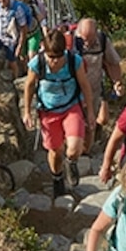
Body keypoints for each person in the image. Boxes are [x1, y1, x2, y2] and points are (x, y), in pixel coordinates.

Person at [24, 23, 90, 187]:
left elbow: (85, 85)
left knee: (74, 147)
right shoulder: (37, 63)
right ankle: (57, 178)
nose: (54, 61)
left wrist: (90, 111)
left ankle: (71, 163)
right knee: (56, 151)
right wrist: (27, 112)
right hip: (48, 110)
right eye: (50, 56)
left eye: (58, 56)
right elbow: (29, 86)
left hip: (71, 106)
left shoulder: (74, 61)